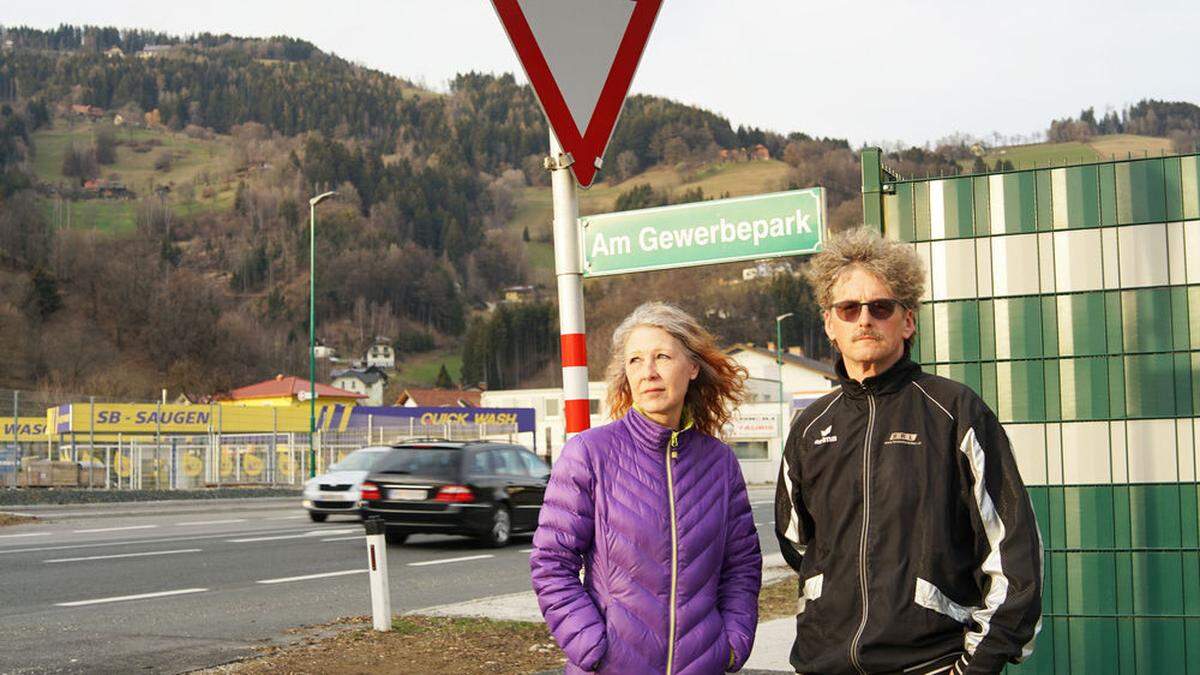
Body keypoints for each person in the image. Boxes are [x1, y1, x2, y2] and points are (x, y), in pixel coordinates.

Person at [775, 228, 1043, 675]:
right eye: (848, 308)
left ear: (908, 321)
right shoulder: (811, 425)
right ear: (829, 324)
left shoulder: (955, 410)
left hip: (930, 663)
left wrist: (978, 665)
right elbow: (797, 541)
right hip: (823, 661)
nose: (864, 320)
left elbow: (1011, 550)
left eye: (880, 307)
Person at [531, 301, 763, 674]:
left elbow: (742, 566)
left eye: (662, 357)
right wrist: (591, 647)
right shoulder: (590, 453)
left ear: (691, 368)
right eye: (635, 360)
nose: (648, 372)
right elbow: (551, 563)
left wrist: (732, 644)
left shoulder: (719, 463)